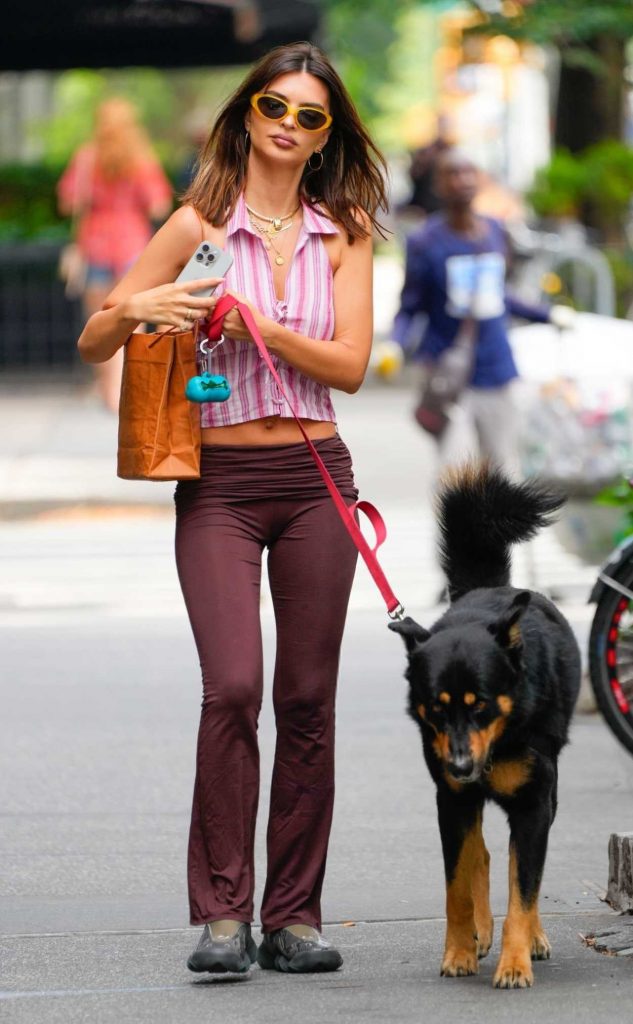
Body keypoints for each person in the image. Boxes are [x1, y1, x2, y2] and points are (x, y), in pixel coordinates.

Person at [75, 43, 387, 974]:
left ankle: (293, 917)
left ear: (328, 133)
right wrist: (150, 304)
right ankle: (223, 915)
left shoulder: (345, 231)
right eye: (275, 108)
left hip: (313, 478)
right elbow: (97, 337)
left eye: (311, 116)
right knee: (235, 689)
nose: (289, 127)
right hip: (217, 487)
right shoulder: (199, 224)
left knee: (306, 700)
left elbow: (352, 367)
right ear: (247, 114)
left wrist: (265, 328)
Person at [392, 148, 572, 475]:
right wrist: (395, 344)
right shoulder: (424, 242)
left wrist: (548, 315)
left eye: (468, 172)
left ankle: (497, 529)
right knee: (456, 473)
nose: (462, 180)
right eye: (453, 173)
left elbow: (499, 295)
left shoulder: (494, 231)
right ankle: (456, 529)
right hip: (448, 374)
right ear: (438, 185)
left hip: (497, 368)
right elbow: (410, 305)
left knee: (501, 470)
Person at [58, 98, 172, 412]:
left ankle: (109, 390)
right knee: (132, 323)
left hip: (94, 245)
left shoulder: (85, 158)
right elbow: (158, 205)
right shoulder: (141, 158)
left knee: (100, 323)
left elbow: (68, 203)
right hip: (133, 246)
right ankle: (126, 391)